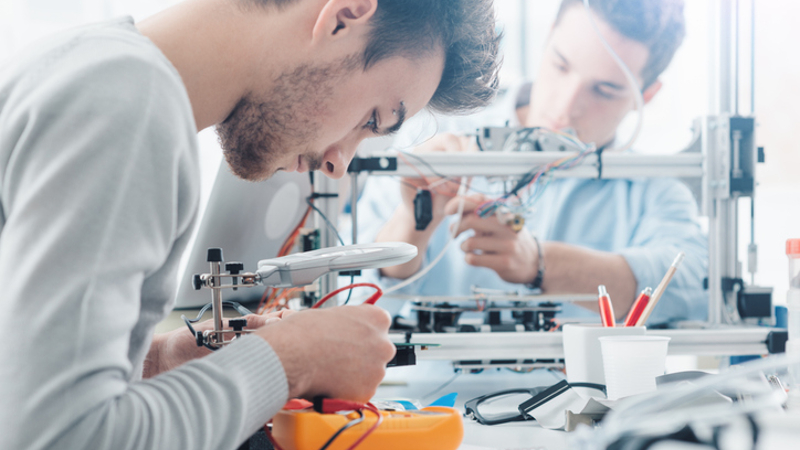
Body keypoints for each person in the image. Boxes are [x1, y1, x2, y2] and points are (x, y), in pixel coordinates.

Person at [0, 0, 501, 448]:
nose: (339, 163)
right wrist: (285, 361)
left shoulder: (88, 64)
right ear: (341, 18)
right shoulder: (129, 107)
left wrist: (153, 365)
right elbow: (59, 436)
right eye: (372, 120)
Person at [353, 0, 708, 325]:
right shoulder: (435, 137)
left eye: (604, 90)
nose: (566, 106)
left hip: (592, 398)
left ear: (646, 96)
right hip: (433, 397)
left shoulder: (652, 189)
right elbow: (347, 293)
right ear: (547, 39)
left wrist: (539, 263)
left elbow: (693, 288)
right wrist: (414, 221)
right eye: (561, 65)